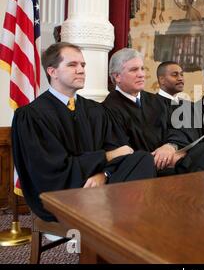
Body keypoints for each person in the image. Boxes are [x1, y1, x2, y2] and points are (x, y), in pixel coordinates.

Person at [11, 42, 156, 221]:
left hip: (102, 186)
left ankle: (123, 227)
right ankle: (123, 230)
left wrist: (103, 174)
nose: (81, 70)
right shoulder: (32, 116)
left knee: (143, 158)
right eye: (72, 65)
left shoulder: (95, 110)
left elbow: (123, 151)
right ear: (52, 71)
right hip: (62, 195)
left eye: (83, 65)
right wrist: (106, 157)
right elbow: (53, 171)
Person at [103, 49, 204, 175]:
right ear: (117, 76)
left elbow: (178, 127)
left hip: (173, 159)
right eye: (134, 70)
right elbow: (124, 151)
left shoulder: (155, 101)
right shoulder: (108, 109)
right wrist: (158, 157)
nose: (141, 74)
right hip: (147, 169)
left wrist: (171, 146)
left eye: (142, 69)